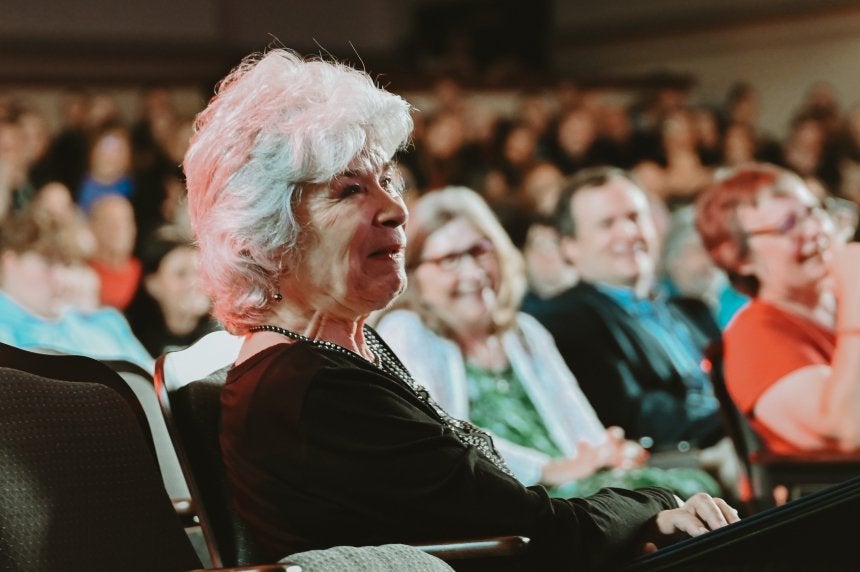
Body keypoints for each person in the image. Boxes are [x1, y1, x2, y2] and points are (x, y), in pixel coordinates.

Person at [183, 49, 738, 570]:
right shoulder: (304, 385)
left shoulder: (342, 349)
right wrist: (654, 502)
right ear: (266, 233)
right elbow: (535, 533)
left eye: (387, 180)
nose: (396, 209)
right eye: (350, 190)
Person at [376, 186, 719, 499]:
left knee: (691, 486)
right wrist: (549, 470)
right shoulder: (407, 330)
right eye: (450, 260)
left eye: (480, 251)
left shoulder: (524, 330)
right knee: (660, 502)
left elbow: (582, 422)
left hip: (577, 482)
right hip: (511, 495)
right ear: (414, 273)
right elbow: (444, 440)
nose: (474, 273)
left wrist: (609, 451)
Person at [528, 166, 725, 454]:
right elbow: (634, 419)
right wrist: (742, 417)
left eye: (635, 217)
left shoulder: (692, 309)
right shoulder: (565, 319)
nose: (629, 232)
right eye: (607, 224)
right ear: (570, 247)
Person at [695, 162, 860, 454]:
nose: (814, 231)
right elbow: (848, 430)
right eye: (787, 225)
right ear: (739, 257)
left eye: (814, 211)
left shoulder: (840, 302)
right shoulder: (753, 336)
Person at [0, 210, 153, 372]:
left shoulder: (106, 322)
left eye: (66, 264)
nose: (60, 278)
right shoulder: (6, 334)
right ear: (10, 262)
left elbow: (156, 377)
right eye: (48, 264)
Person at [125, 231, 217, 357]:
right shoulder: (129, 340)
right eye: (181, 273)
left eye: (199, 272)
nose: (194, 282)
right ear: (152, 285)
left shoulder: (228, 335)